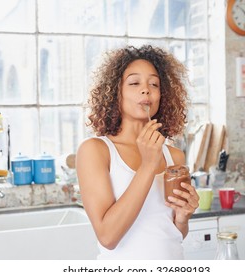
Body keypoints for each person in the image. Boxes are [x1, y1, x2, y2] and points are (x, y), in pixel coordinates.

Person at [76, 45, 199, 260]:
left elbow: (173, 234)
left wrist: (182, 218)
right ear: (115, 92)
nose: (146, 90)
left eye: (154, 84)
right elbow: (108, 236)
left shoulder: (174, 156)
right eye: (134, 83)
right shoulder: (95, 151)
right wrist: (148, 165)